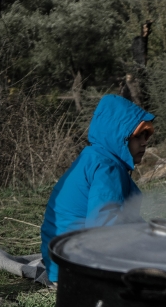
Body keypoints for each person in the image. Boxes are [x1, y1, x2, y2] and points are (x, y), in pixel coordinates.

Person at [40, 94, 155, 283]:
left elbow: (122, 216)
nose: (144, 142)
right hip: (74, 266)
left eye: (146, 136)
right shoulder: (107, 167)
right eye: (138, 136)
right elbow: (104, 226)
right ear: (120, 136)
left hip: (59, 257)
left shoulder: (94, 156)